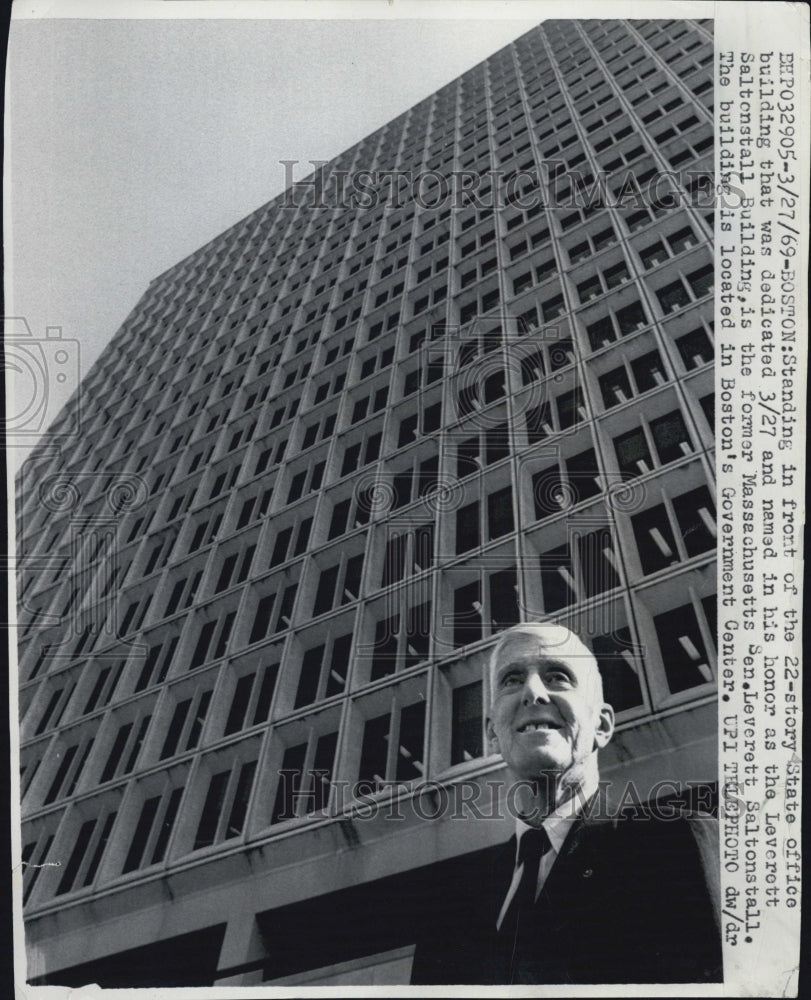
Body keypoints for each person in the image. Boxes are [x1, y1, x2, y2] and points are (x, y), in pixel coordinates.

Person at [410, 622, 722, 985]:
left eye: (557, 676)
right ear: (492, 734)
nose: (532, 691)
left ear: (602, 725)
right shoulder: (448, 912)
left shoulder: (675, 846)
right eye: (512, 679)